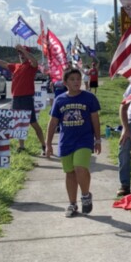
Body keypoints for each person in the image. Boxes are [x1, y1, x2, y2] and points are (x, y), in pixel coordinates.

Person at [44, 68, 102, 218]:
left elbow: (95, 119)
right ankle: (72, 204)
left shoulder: (89, 98)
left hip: (84, 139)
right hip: (66, 141)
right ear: (65, 83)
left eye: (78, 79)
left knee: (80, 168)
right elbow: (53, 122)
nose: (76, 82)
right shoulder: (60, 100)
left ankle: (85, 195)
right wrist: (48, 143)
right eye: (72, 79)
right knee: (70, 173)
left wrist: (98, 139)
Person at [0, 45, 45, 153]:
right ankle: (21, 146)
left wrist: (24, 50)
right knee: (18, 124)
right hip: (16, 98)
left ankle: (44, 145)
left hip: (26, 99)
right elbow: (3, 63)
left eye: (23, 53)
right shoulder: (17, 66)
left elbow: (34, 61)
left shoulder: (31, 66)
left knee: (33, 123)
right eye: (19, 54)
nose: (21, 55)